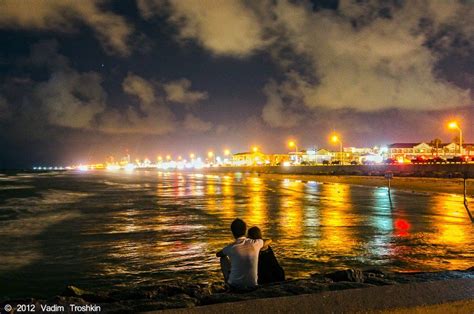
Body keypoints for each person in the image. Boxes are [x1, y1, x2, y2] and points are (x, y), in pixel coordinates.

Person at [216, 218, 271, 291]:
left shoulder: (231, 247)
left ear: (233, 232)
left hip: (234, 285)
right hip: (252, 284)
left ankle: (227, 282)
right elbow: (269, 240)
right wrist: (261, 246)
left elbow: (218, 254)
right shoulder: (255, 243)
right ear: (245, 231)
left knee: (223, 258)